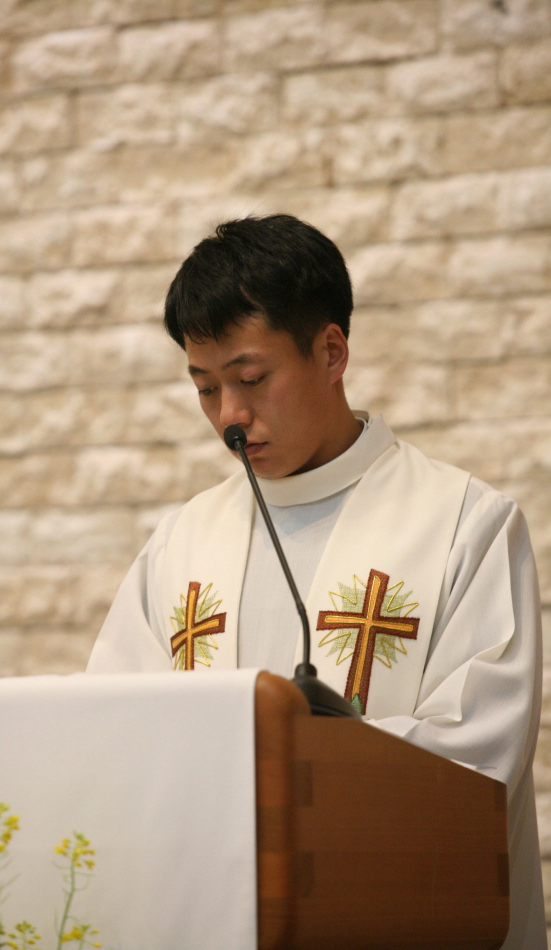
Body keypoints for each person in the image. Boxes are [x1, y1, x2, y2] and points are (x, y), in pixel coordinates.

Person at [87, 214, 545, 947]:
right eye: (205, 388)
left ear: (331, 352)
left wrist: (281, 779)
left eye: (251, 379)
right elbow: (111, 731)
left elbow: (475, 762)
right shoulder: (182, 542)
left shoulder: (465, 523)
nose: (231, 417)